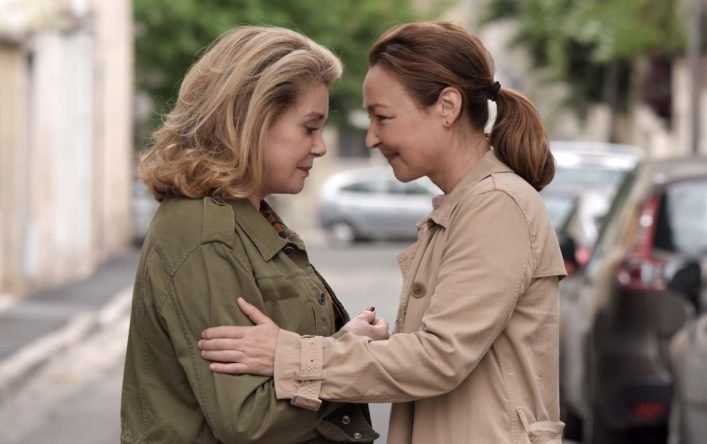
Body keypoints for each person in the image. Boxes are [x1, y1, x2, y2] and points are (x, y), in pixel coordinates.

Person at [198, 21, 568, 444]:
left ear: (447, 107)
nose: (372, 138)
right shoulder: (467, 205)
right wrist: (349, 343)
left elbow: (438, 358)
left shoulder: (496, 204)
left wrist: (288, 356)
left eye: (383, 117)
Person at [120, 25, 379, 444]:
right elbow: (247, 419)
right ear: (252, 121)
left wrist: (335, 350)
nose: (320, 147)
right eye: (309, 127)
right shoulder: (206, 234)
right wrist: (348, 356)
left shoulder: (250, 219)